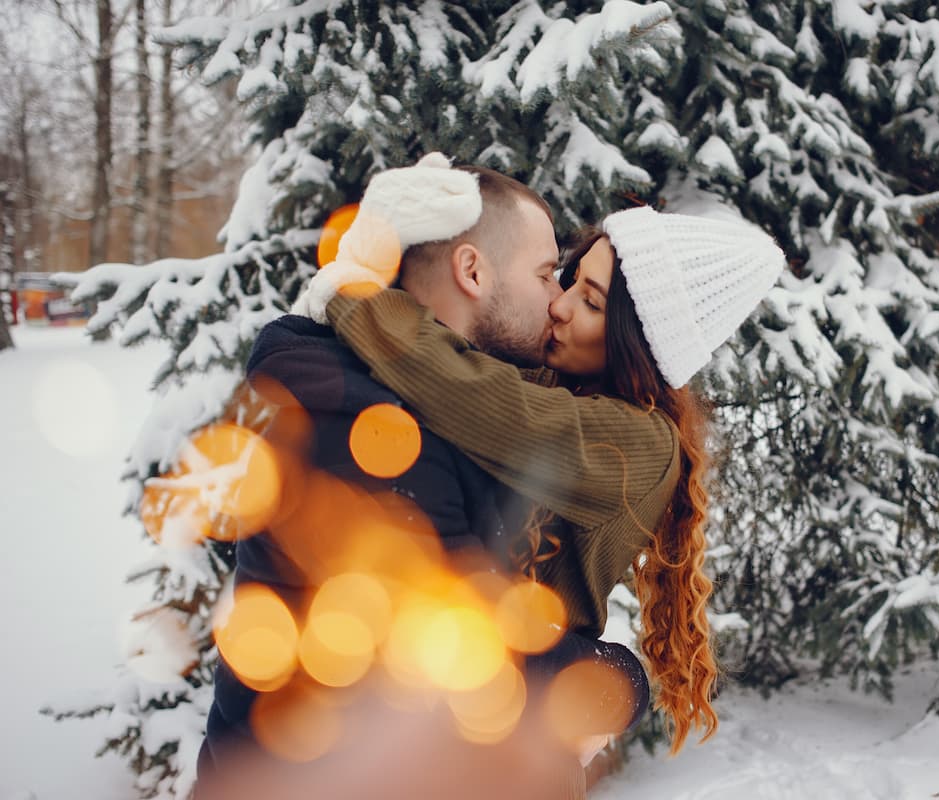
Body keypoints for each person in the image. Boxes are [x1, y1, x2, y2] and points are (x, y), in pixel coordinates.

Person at [195, 155, 649, 799]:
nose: (557, 302)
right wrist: (621, 681)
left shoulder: (414, 400)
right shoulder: (363, 423)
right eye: (548, 275)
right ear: (472, 271)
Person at [308, 198, 786, 756]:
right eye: (569, 281)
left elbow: (473, 394)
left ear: (637, 341)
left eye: (590, 301)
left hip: (509, 747)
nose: (558, 306)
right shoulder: (559, 385)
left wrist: (354, 294)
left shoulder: (641, 443)